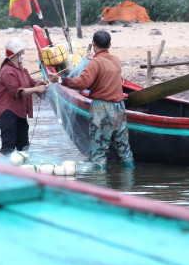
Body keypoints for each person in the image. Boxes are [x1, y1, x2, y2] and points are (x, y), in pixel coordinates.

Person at [48, 30, 134, 170]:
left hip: (102, 109)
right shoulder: (116, 59)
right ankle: (128, 184)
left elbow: (83, 83)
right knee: (124, 150)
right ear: (110, 45)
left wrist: (60, 79)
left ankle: (98, 186)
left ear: (93, 44)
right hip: (119, 107)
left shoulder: (95, 62)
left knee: (99, 152)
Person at [0, 38, 48, 156]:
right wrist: (36, 89)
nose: (24, 52)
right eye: (23, 50)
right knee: (7, 147)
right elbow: (17, 92)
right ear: (18, 53)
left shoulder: (22, 70)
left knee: (23, 146)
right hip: (8, 113)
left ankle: (21, 170)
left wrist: (41, 84)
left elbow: (32, 83)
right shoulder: (7, 71)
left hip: (20, 113)